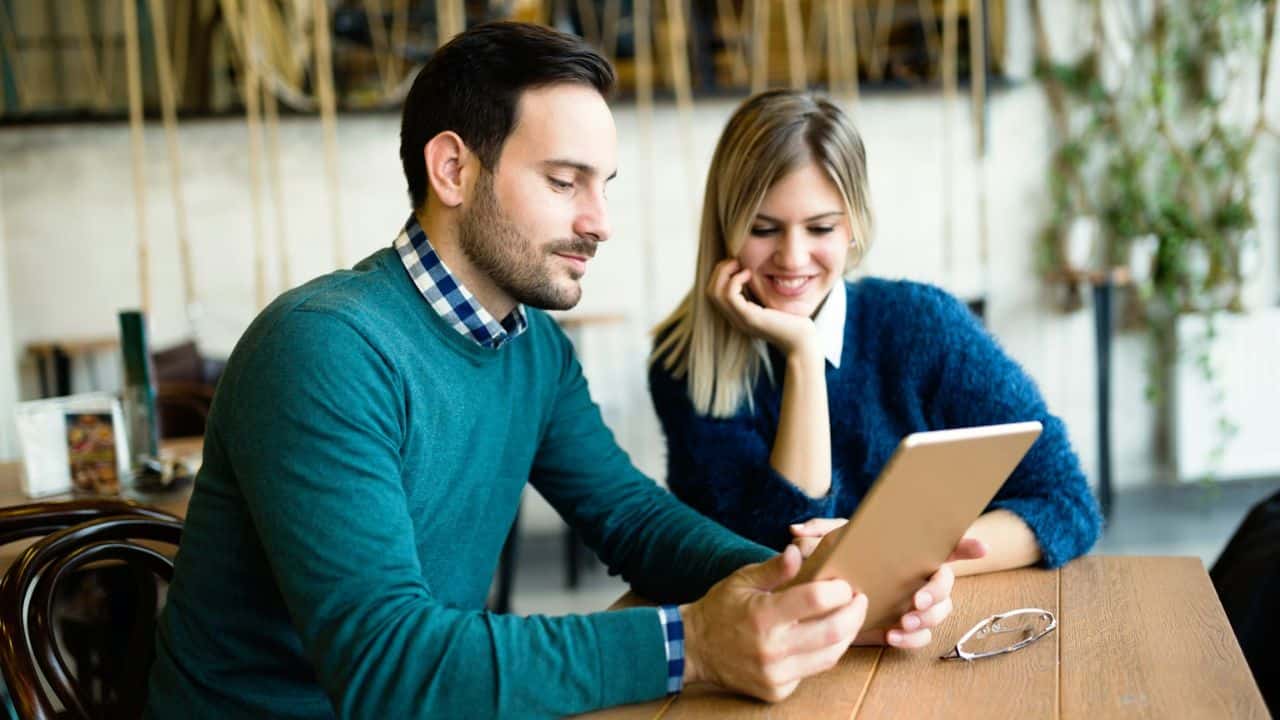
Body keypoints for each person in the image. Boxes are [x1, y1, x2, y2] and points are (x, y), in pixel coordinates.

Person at [145, 24, 970, 719]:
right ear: (454, 170)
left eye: (603, 186)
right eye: (564, 181)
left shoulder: (530, 344)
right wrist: (696, 643)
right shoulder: (323, 349)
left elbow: (634, 521)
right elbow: (384, 663)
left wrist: (806, 586)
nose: (600, 222)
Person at [649, 90, 1102, 593]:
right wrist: (803, 356)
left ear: (854, 228)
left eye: (820, 227)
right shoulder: (685, 365)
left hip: (932, 621)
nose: (793, 257)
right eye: (763, 228)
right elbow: (775, 560)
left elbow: (1066, 503)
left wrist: (899, 558)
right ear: (725, 228)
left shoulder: (922, 325)